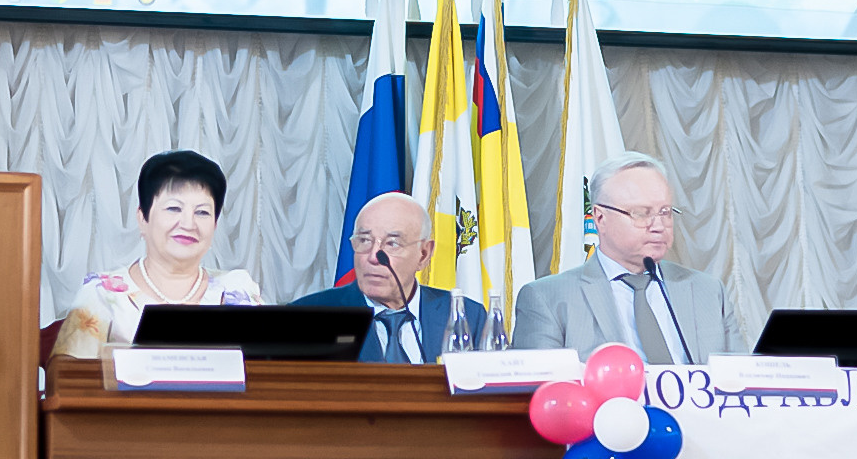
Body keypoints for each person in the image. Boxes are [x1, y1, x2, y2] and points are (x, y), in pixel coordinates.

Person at [512, 152, 743, 363]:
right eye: (641, 213)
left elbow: (743, 383)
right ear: (600, 218)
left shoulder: (709, 292)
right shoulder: (548, 299)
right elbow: (540, 389)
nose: (659, 226)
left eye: (665, 212)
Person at [52, 150, 262, 357]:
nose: (188, 224)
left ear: (214, 225)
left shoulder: (238, 288)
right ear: (143, 218)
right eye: (174, 208)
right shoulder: (102, 295)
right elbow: (69, 374)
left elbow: (268, 366)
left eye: (202, 212)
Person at [292, 191, 488, 362]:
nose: (373, 257)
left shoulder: (468, 316)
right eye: (364, 240)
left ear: (424, 254)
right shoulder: (308, 319)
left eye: (392, 243)